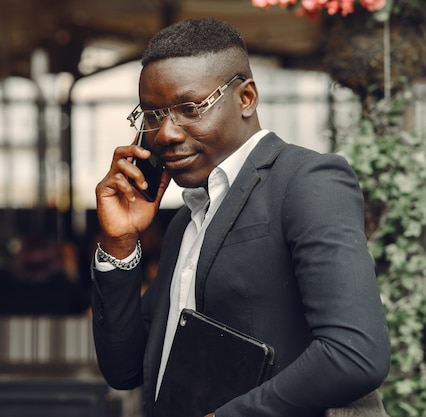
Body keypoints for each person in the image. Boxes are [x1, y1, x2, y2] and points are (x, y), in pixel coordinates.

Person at [90, 18, 390, 417]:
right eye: (153, 114)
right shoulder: (187, 220)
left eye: (190, 108)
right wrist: (120, 244)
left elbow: (355, 354)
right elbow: (125, 370)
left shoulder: (305, 181)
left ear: (246, 98)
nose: (165, 134)